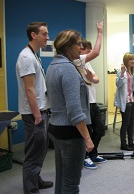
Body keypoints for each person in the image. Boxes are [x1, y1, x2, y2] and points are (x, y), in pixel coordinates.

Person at [45, 30, 94, 194]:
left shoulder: (53, 66)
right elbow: (74, 110)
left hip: (56, 128)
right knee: (71, 184)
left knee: (62, 178)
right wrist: (87, 138)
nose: (81, 47)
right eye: (78, 44)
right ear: (67, 46)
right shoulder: (68, 69)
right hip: (70, 133)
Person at [16, 22, 53, 193]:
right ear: (33, 35)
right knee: (33, 154)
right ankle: (30, 190)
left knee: (40, 150)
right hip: (34, 114)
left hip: (40, 111)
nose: (48, 37)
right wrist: (37, 115)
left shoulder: (34, 55)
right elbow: (29, 89)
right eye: (44, 34)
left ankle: (35, 180)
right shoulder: (27, 57)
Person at [75, 37, 107, 170]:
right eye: (87, 49)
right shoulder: (76, 61)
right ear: (80, 49)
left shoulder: (87, 64)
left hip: (93, 102)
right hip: (84, 104)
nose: (89, 52)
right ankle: (85, 157)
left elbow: (97, 79)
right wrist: (100, 33)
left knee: (99, 129)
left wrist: (90, 78)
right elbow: (96, 53)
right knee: (87, 132)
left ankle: (93, 153)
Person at [114, 52, 134, 151]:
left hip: (132, 100)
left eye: (133, 59)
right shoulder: (121, 71)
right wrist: (122, 73)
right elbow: (118, 84)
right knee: (125, 123)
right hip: (126, 101)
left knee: (131, 122)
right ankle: (123, 144)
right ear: (126, 61)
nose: (133, 61)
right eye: (130, 59)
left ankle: (131, 142)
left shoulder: (132, 73)